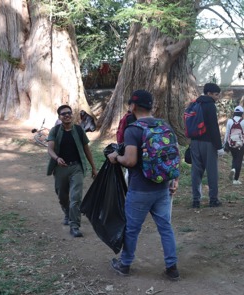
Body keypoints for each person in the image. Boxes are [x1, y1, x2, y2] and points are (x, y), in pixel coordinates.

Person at [107, 89, 180, 280]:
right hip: (162, 187)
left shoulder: (134, 130)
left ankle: (125, 264)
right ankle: (172, 268)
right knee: (165, 227)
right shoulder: (164, 126)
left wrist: (116, 157)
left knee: (132, 228)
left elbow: (130, 161)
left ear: (133, 106)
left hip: (140, 189)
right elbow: (172, 155)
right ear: (151, 106)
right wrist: (174, 179)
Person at [47, 105, 98, 238]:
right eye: (63, 114)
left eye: (69, 113)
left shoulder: (79, 130)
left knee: (75, 198)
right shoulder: (55, 130)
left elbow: (87, 149)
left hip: (77, 168)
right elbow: (50, 149)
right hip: (60, 169)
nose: (67, 115)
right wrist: (57, 158)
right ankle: (67, 213)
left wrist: (93, 167)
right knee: (62, 196)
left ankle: (74, 225)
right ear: (59, 117)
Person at [190, 82, 224, 208]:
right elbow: (213, 127)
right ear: (209, 94)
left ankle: (195, 200)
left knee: (196, 171)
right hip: (208, 143)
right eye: (216, 94)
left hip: (194, 141)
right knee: (212, 172)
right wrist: (219, 146)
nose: (217, 97)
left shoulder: (195, 103)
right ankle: (213, 199)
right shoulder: (210, 105)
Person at [223, 105, 244, 185]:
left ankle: (233, 169)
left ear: (234, 113)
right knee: (239, 160)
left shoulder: (230, 121)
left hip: (231, 143)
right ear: (241, 113)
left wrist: (225, 142)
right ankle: (236, 179)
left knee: (234, 158)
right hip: (241, 144)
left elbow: (227, 133)